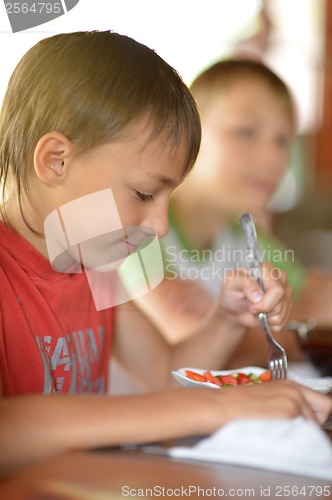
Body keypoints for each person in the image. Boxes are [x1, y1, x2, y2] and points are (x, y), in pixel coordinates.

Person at [0, 31, 330, 477]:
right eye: (143, 193)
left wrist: (227, 319)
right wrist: (214, 407)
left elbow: (164, 370)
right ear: (57, 160)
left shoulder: (93, 268)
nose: (158, 226)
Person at [133, 58, 332, 368]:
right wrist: (305, 333)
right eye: (245, 132)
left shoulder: (248, 237)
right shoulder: (138, 226)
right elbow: (187, 342)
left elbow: (320, 298)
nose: (272, 158)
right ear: (187, 132)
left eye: (282, 140)